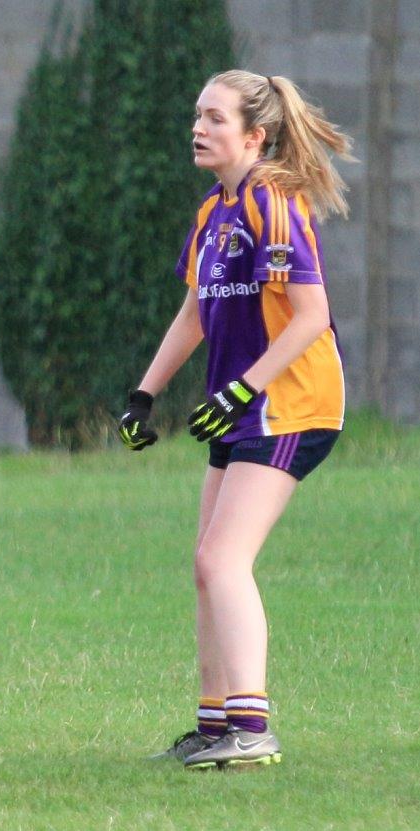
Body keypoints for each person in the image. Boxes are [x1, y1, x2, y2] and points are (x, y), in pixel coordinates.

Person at [118, 71, 352, 770]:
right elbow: (195, 311)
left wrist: (245, 389)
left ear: (255, 136)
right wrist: (144, 394)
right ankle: (216, 724)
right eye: (197, 115)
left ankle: (252, 725)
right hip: (245, 407)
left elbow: (310, 316)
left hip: (290, 405)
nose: (199, 127)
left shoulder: (272, 203)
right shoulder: (213, 212)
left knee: (225, 558)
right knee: (206, 565)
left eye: (215, 118)